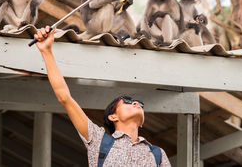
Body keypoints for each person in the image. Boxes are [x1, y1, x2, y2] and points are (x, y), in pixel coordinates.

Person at [34, 26, 171, 167]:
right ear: (113, 117)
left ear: (141, 123)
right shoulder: (98, 141)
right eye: (127, 101)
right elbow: (64, 98)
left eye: (139, 104)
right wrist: (46, 51)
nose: (135, 103)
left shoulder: (158, 154)